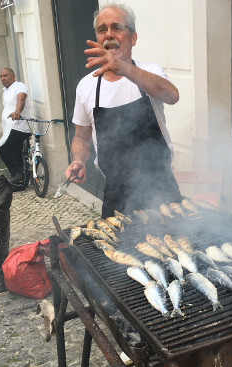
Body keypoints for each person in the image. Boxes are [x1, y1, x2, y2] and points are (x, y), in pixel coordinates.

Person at [66, 2, 182, 218]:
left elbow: (172, 95)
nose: (109, 34)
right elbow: (81, 137)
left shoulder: (149, 71)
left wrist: (123, 68)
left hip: (162, 190)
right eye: (102, 29)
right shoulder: (86, 86)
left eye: (117, 27)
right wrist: (78, 160)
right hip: (116, 195)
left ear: (133, 38)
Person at [0, 67, 31, 189]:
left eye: (5, 75)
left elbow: (21, 99)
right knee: (14, 151)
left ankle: (18, 175)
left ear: (13, 76)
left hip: (20, 126)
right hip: (10, 127)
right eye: (1, 77)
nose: (3, 79)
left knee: (4, 148)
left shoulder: (19, 86)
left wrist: (17, 112)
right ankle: (18, 182)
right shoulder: (6, 90)